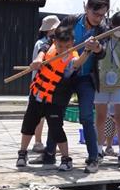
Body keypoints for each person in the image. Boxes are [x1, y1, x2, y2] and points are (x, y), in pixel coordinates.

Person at [16, 26, 91, 172]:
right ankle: (22, 153)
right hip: (37, 95)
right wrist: (37, 61)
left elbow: (78, 63)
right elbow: (42, 52)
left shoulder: (72, 58)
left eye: (67, 46)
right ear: (55, 42)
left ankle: (66, 159)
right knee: (28, 126)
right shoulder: (47, 49)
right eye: (60, 46)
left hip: (54, 100)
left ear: (73, 43)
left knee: (57, 129)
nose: (63, 49)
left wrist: (87, 50)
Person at [62, 0, 109, 173]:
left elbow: (102, 51)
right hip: (66, 74)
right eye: (95, 14)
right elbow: (53, 41)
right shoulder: (71, 21)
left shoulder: (103, 28)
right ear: (86, 8)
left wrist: (96, 47)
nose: (98, 18)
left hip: (86, 77)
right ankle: (50, 153)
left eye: (102, 15)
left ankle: (93, 158)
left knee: (87, 117)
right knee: (56, 113)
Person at [96, 12, 120, 168]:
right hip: (101, 80)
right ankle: (99, 151)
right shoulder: (104, 36)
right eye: (119, 26)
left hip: (119, 81)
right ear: (111, 24)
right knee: (100, 116)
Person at [30, 15, 60, 152]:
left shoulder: (58, 43)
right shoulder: (41, 43)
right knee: (39, 115)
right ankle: (37, 141)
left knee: (52, 114)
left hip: (53, 82)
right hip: (41, 82)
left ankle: (54, 143)